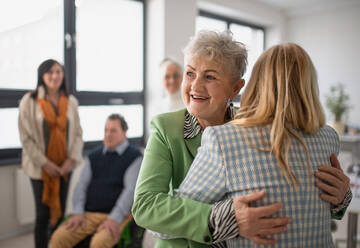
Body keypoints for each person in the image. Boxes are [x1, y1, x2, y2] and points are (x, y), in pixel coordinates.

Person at [132, 31, 351, 248]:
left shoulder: (254, 131)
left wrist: (341, 197)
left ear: (236, 88)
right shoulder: (165, 128)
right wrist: (224, 219)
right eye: (190, 74)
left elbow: (295, 193)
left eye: (210, 77)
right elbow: (145, 207)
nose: (195, 86)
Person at [50, 114, 143, 248]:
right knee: (58, 238)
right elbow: (81, 186)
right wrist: (78, 212)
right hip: (89, 214)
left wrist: (114, 218)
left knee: (99, 244)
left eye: (113, 130)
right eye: (106, 130)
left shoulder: (134, 156)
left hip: (119, 215)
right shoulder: (94, 155)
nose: (108, 134)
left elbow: (130, 191)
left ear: (125, 133)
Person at [18, 59, 83, 248]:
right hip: (40, 168)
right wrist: (45, 163)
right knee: (42, 215)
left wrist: (71, 160)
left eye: (58, 72)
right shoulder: (29, 101)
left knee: (60, 214)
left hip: (65, 167)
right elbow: (26, 138)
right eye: (50, 72)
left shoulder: (71, 101)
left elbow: (78, 133)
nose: (55, 76)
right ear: (42, 76)